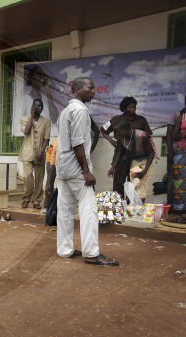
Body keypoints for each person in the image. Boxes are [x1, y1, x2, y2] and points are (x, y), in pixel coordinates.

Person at [56, 77, 118, 266]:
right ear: (77, 89)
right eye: (90, 88)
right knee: (88, 209)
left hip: (63, 168)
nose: (93, 90)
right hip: (76, 169)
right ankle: (91, 253)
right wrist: (86, 171)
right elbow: (78, 143)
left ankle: (65, 250)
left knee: (65, 210)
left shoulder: (66, 111)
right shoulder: (80, 111)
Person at [100, 96, 154, 198]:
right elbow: (102, 129)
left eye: (134, 107)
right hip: (120, 154)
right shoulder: (116, 120)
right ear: (124, 108)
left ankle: (132, 207)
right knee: (118, 182)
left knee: (134, 183)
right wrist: (111, 140)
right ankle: (119, 206)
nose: (133, 109)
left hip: (136, 157)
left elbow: (147, 138)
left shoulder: (141, 120)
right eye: (130, 107)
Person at [108, 119, 156, 202]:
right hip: (135, 159)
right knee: (134, 185)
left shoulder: (142, 135)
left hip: (148, 159)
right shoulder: (122, 137)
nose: (117, 134)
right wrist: (113, 167)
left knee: (141, 184)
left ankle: (139, 209)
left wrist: (145, 170)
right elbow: (120, 152)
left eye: (119, 131)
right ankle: (134, 208)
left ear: (126, 129)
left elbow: (151, 153)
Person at [18, 99, 51, 209]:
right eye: (37, 106)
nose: (39, 108)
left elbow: (46, 139)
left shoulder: (46, 121)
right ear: (32, 106)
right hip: (27, 153)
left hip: (40, 153)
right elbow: (26, 131)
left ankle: (36, 201)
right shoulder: (24, 119)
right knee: (28, 178)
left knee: (39, 179)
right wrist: (31, 117)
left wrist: (42, 152)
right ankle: (26, 199)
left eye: (41, 106)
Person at [171, 108, 186, 211]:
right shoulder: (182, 117)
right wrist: (181, 134)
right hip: (181, 152)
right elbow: (173, 137)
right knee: (179, 183)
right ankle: (180, 211)